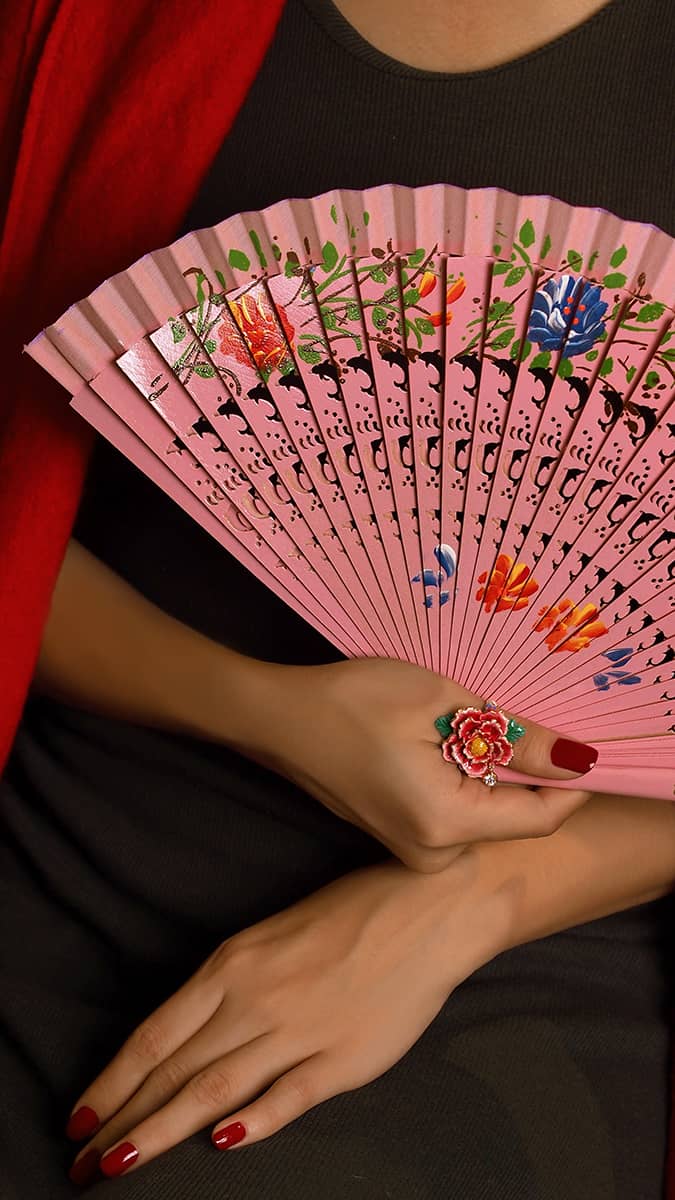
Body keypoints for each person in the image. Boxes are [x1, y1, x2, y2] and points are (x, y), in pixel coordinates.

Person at [1, 1, 674, 1197]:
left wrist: (479, 900)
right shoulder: (86, 21)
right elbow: (14, 516)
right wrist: (264, 708)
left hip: (520, 937)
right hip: (62, 811)